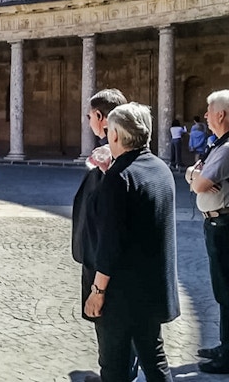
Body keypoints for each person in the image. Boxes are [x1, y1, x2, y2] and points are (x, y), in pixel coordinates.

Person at [84, 103, 179, 382]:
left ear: (115, 135)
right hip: (153, 285)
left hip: (123, 293)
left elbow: (110, 243)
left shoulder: (119, 178)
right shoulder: (159, 168)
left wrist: (97, 291)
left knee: (115, 366)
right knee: (154, 357)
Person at [70, 88, 137, 382]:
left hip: (103, 260)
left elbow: (108, 220)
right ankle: (120, 371)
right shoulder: (126, 155)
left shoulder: (111, 158)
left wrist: (98, 285)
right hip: (105, 256)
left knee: (109, 325)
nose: (89, 123)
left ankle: (114, 374)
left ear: (100, 117)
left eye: (89, 117)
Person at [185, 89, 229, 374]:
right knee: (224, 289)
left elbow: (198, 183)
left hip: (226, 224)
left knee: (228, 290)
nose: (206, 116)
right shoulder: (222, 146)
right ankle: (227, 345)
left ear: (221, 115)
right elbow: (195, 175)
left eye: (209, 111)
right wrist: (195, 175)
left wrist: (196, 177)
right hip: (220, 222)